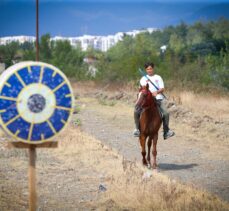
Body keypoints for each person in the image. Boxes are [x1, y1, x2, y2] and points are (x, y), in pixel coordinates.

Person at [133, 62, 175, 140]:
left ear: (153, 69)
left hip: (158, 98)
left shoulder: (158, 77)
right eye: (148, 69)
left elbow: (162, 88)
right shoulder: (143, 79)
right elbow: (141, 89)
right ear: (146, 70)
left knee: (166, 113)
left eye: (151, 68)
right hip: (146, 100)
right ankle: (137, 129)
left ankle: (166, 131)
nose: (149, 70)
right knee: (136, 110)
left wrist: (157, 92)